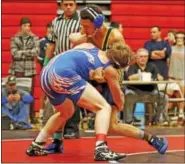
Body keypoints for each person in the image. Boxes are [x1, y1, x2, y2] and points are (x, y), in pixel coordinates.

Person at [26, 43, 168, 160]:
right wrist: (119, 105)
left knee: (66, 112)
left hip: (46, 73)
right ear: (118, 65)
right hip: (64, 74)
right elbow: (118, 98)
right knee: (103, 108)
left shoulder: (89, 46)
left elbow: (75, 53)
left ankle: (37, 144)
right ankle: (101, 148)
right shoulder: (110, 70)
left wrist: (91, 73)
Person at [43, 0, 81, 151]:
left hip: (77, 63)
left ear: (75, 5)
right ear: (61, 6)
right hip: (59, 63)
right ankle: (58, 139)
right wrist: (46, 63)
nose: (68, 7)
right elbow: (51, 44)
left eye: (71, 4)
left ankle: (72, 128)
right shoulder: (55, 22)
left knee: (74, 97)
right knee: (59, 100)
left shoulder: (81, 21)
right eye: (65, 4)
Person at [123, 48, 169, 124]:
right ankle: (128, 121)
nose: (143, 58)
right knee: (128, 95)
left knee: (164, 98)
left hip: (151, 93)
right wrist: (140, 75)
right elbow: (130, 77)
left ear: (148, 58)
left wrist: (159, 77)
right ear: (136, 57)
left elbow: (159, 77)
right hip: (135, 93)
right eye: (141, 56)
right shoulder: (132, 67)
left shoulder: (152, 66)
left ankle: (157, 119)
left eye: (145, 56)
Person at [9, 17, 40, 123]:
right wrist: (28, 52)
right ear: (20, 26)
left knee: (29, 94)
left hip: (29, 70)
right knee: (16, 93)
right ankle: (16, 117)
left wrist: (21, 52)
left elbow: (36, 52)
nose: (27, 28)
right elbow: (14, 53)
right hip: (17, 70)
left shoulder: (35, 38)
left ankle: (30, 117)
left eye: (28, 26)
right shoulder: (14, 38)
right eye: (25, 25)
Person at [168, 31, 185, 125]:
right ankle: (166, 115)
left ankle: (181, 113)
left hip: (183, 78)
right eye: (178, 37)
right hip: (172, 78)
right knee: (173, 96)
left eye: (181, 38)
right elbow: (167, 63)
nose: (179, 39)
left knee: (181, 94)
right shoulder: (171, 49)